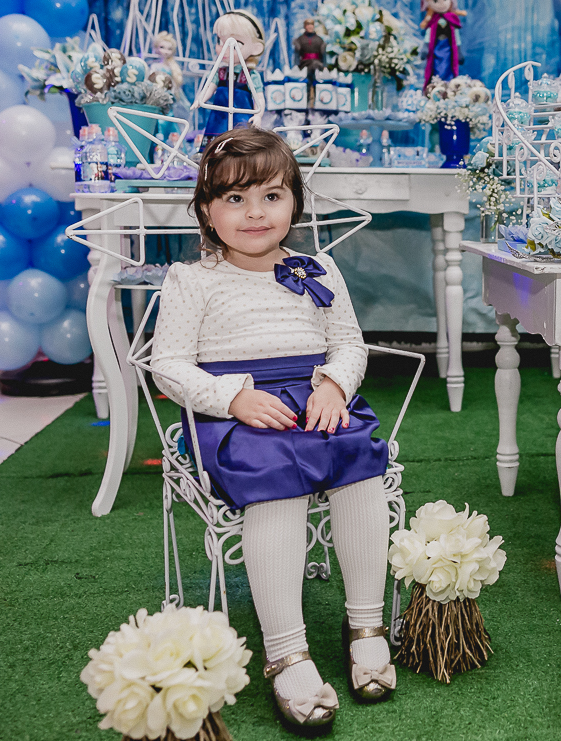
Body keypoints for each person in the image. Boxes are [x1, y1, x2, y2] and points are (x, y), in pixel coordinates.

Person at [150, 128, 396, 733]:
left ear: (295, 204)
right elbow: (168, 365)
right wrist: (233, 397)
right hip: (237, 413)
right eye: (235, 199)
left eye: (271, 196)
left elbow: (348, 343)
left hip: (315, 399)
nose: (255, 213)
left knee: (360, 463)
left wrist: (334, 385)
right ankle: (286, 650)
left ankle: (365, 624)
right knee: (276, 482)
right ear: (206, 211)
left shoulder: (319, 268)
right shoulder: (192, 279)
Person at [203, 10, 267, 142]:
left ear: (256, 48)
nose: (225, 48)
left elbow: (259, 97)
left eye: (237, 44)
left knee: (240, 143)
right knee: (215, 143)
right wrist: (201, 99)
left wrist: (258, 115)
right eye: (220, 41)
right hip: (219, 116)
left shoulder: (250, 75)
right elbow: (210, 87)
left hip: (241, 118)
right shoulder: (220, 72)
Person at [420, 0, 466, 85]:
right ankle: (435, 84)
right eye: (435, 1)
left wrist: (458, 51)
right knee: (435, 67)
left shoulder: (452, 19)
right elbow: (428, 34)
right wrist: (426, 47)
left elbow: (456, 36)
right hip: (436, 49)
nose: (441, 4)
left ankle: (448, 84)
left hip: (448, 49)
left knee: (448, 67)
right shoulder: (432, 20)